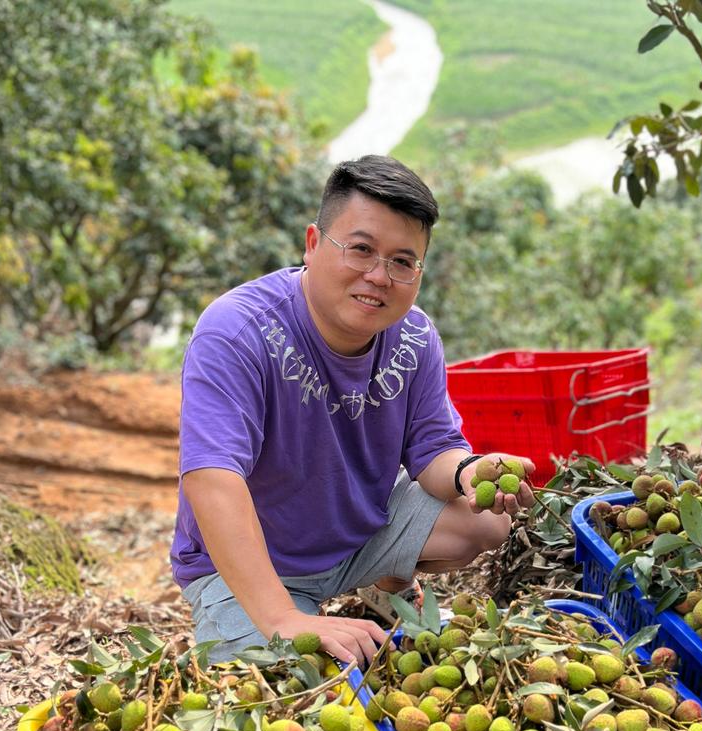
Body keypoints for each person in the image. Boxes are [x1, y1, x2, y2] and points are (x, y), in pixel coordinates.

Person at [170, 155, 533, 665]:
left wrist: (470, 472)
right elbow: (211, 479)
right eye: (361, 250)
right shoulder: (237, 331)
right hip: (251, 566)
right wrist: (283, 620)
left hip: (356, 538)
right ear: (314, 244)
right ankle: (284, 609)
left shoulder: (414, 336)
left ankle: (384, 590)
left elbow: (433, 452)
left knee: (483, 521)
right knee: (290, 683)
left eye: (403, 261)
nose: (380, 276)